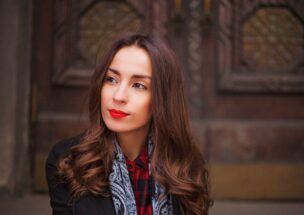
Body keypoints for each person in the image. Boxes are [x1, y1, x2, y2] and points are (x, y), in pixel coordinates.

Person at [46, 33, 212, 215]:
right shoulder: (68, 162)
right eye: (111, 79)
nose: (118, 96)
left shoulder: (184, 166)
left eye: (138, 85)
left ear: (162, 98)